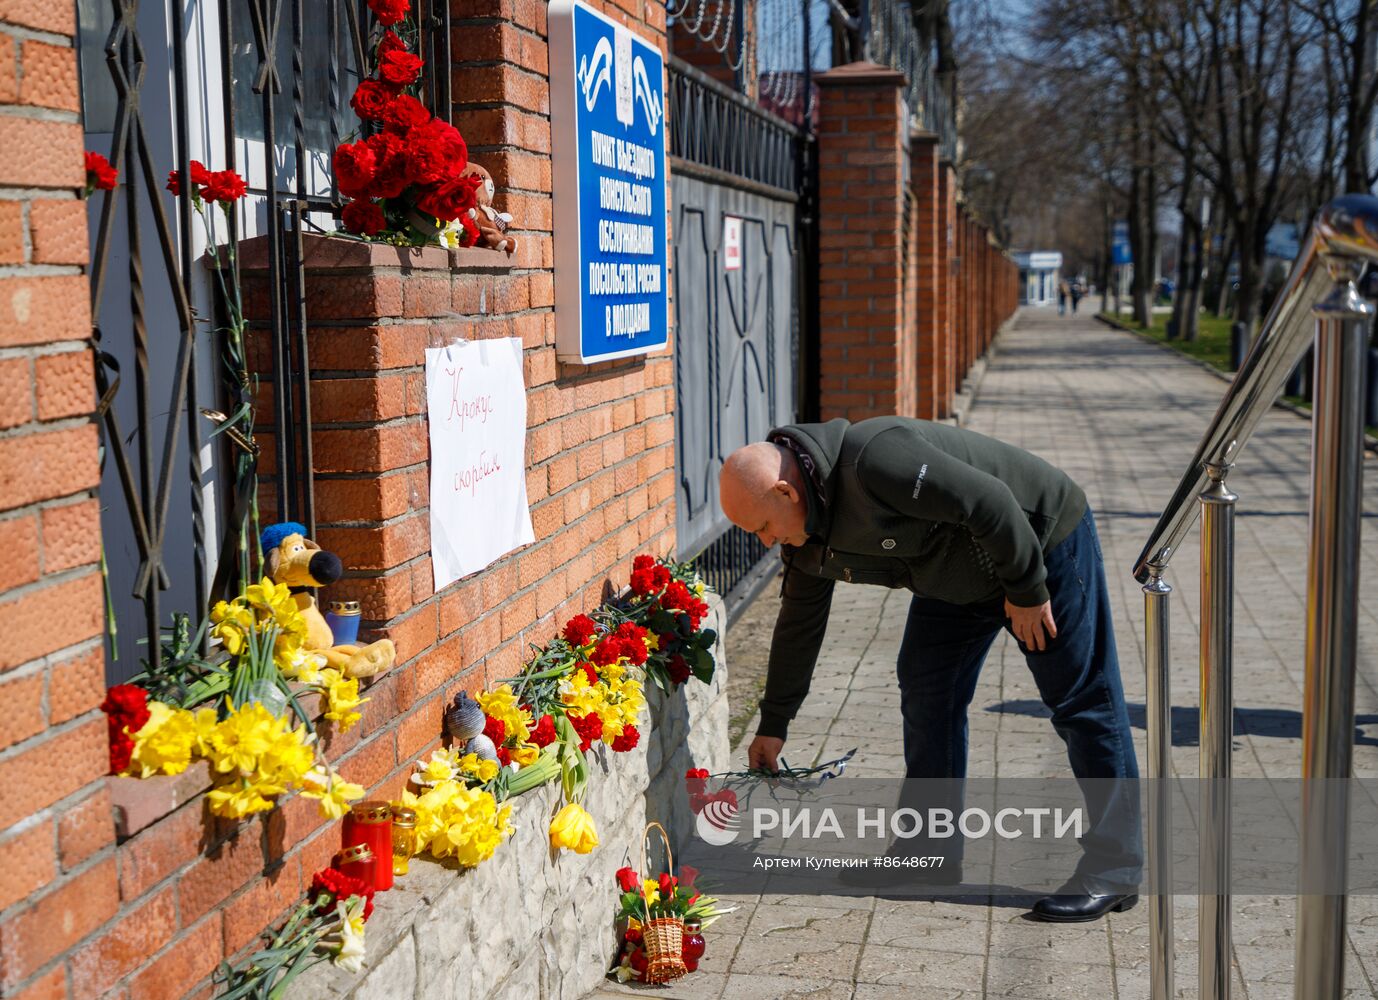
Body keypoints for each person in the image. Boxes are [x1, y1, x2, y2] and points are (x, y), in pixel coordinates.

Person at [719, 417, 1142, 922]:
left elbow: (991, 501)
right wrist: (774, 722)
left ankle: (1115, 870)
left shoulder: (875, 460)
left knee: (1081, 702)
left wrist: (1028, 591)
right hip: (956, 574)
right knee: (927, 691)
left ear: (786, 491)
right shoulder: (804, 537)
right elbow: (798, 625)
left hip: (1036, 546)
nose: (767, 542)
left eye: (762, 528)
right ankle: (929, 852)